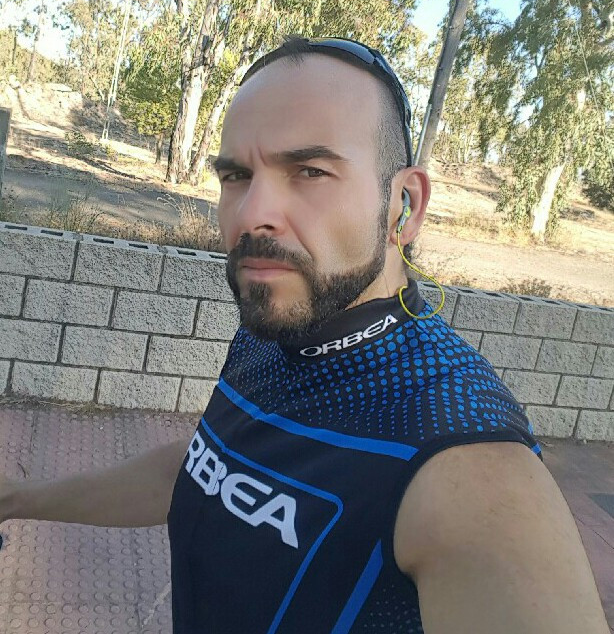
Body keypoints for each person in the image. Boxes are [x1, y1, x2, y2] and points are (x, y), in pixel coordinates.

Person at [0, 35, 609, 634]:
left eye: (310, 171)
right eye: (236, 175)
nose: (251, 214)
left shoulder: (471, 468)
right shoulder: (276, 331)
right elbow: (208, 472)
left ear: (403, 205)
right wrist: (18, 498)